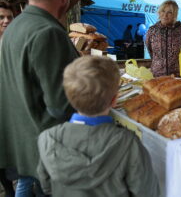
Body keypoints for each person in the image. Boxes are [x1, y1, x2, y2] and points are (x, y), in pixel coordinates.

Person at [0, 0, 79, 196]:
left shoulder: (14, 27)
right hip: (44, 153)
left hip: (19, 146)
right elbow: (60, 106)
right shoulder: (48, 32)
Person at [37, 56, 160, 197]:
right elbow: (147, 191)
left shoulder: (47, 138)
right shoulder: (128, 144)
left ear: (69, 97)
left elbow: (46, 186)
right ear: (114, 100)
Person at [145, 0, 181, 77]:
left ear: (175, 14)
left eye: (169, 12)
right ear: (159, 12)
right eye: (163, 11)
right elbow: (150, 50)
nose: (165, 15)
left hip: (178, 74)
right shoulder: (152, 30)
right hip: (157, 74)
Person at [0, 0, 15, 197]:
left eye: (9, 17)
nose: (5, 21)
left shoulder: (15, 41)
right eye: (1, 17)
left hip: (11, 105)